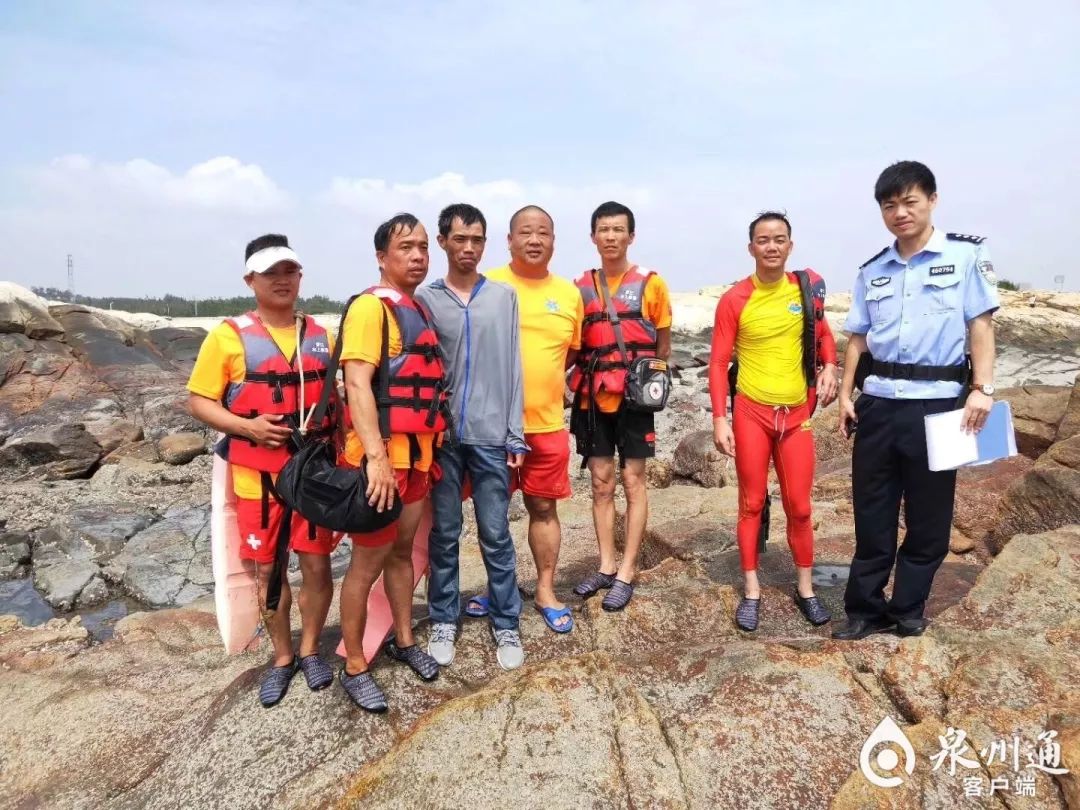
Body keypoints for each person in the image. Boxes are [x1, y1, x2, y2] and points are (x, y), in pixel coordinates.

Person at [833, 161, 999, 641]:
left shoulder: (967, 256)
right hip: (879, 404)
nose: (900, 213)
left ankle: (908, 608)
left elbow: (981, 327)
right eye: (890, 205)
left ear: (932, 200)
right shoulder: (873, 270)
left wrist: (982, 390)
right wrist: (846, 394)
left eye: (910, 201)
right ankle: (864, 609)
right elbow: (858, 340)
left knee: (929, 517)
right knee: (872, 510)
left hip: (940, 405)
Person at [187, 234, 338, 707]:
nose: (282, 280)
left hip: (313, 472)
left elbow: (342, 397)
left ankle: (312, 650)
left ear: (300, 277)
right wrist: (247, 428)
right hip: (260, 478)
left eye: (290, 271)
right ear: (250, 279)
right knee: (268, 571)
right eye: (271, 272)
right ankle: (282, 656)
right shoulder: (228, 337)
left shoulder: (319, 334)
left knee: (316, 565)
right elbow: (198, 401)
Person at [337, 213, 450, 711]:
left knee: (403, 552)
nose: (418, 255)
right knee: (365, 565)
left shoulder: (417, 310)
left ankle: (404, 640)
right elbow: (357, 383)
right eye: (406, 247)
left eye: (424, 247)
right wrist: (377, 460)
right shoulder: (370, 309)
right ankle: (355, 664)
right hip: (383, 463)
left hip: (418, 459)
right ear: (382, 256)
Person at [708, 212, 839, 632]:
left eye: (779, 239)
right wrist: (718, 418)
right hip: (751, 413)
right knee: (752, 503)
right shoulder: (735, 299)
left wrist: (831, 367)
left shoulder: (804, 291)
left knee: (800, 507)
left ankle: (806, 588)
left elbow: (823, 336)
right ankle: (752, 590)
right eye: (763, 240)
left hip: (796, 414)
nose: (771, 246)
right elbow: (716, 363)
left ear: (790, 245)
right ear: (751, 248)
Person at [415, 203, 527, 670]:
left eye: (477, 239)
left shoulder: (503, 297)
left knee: (496, 534)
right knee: (444, 532)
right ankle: (444, 616)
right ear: (443, 241)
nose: (468, 248)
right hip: (442, 437)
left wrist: (515, 434)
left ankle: (506, 622)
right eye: (460, 238)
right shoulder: (426, 298)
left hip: (489, 435)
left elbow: (513, 366)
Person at [483, 206, 583, 634]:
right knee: (493, 513)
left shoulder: (569, 293)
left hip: (546, 426)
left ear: (554, 241)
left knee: (543, 508)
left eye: (543, 232)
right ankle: (496, 588)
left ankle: (544, 588)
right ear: (509, 240)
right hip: (490, 427)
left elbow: (572, 354)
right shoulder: (488, 284)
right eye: (525, 232)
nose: (534, 239)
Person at [567, 201, 672, 611]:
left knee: (634, 479)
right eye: (603, 230)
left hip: (634, 397)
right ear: (593, 236)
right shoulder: (579, 287)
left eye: (618, 230)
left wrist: (644, 380)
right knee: (600, 481)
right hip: (593, 398)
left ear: (631, 236)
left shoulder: (652, 284)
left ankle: (628, 570)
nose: (610, 237)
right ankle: (606, 564)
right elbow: (573, 346)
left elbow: (662, 345)